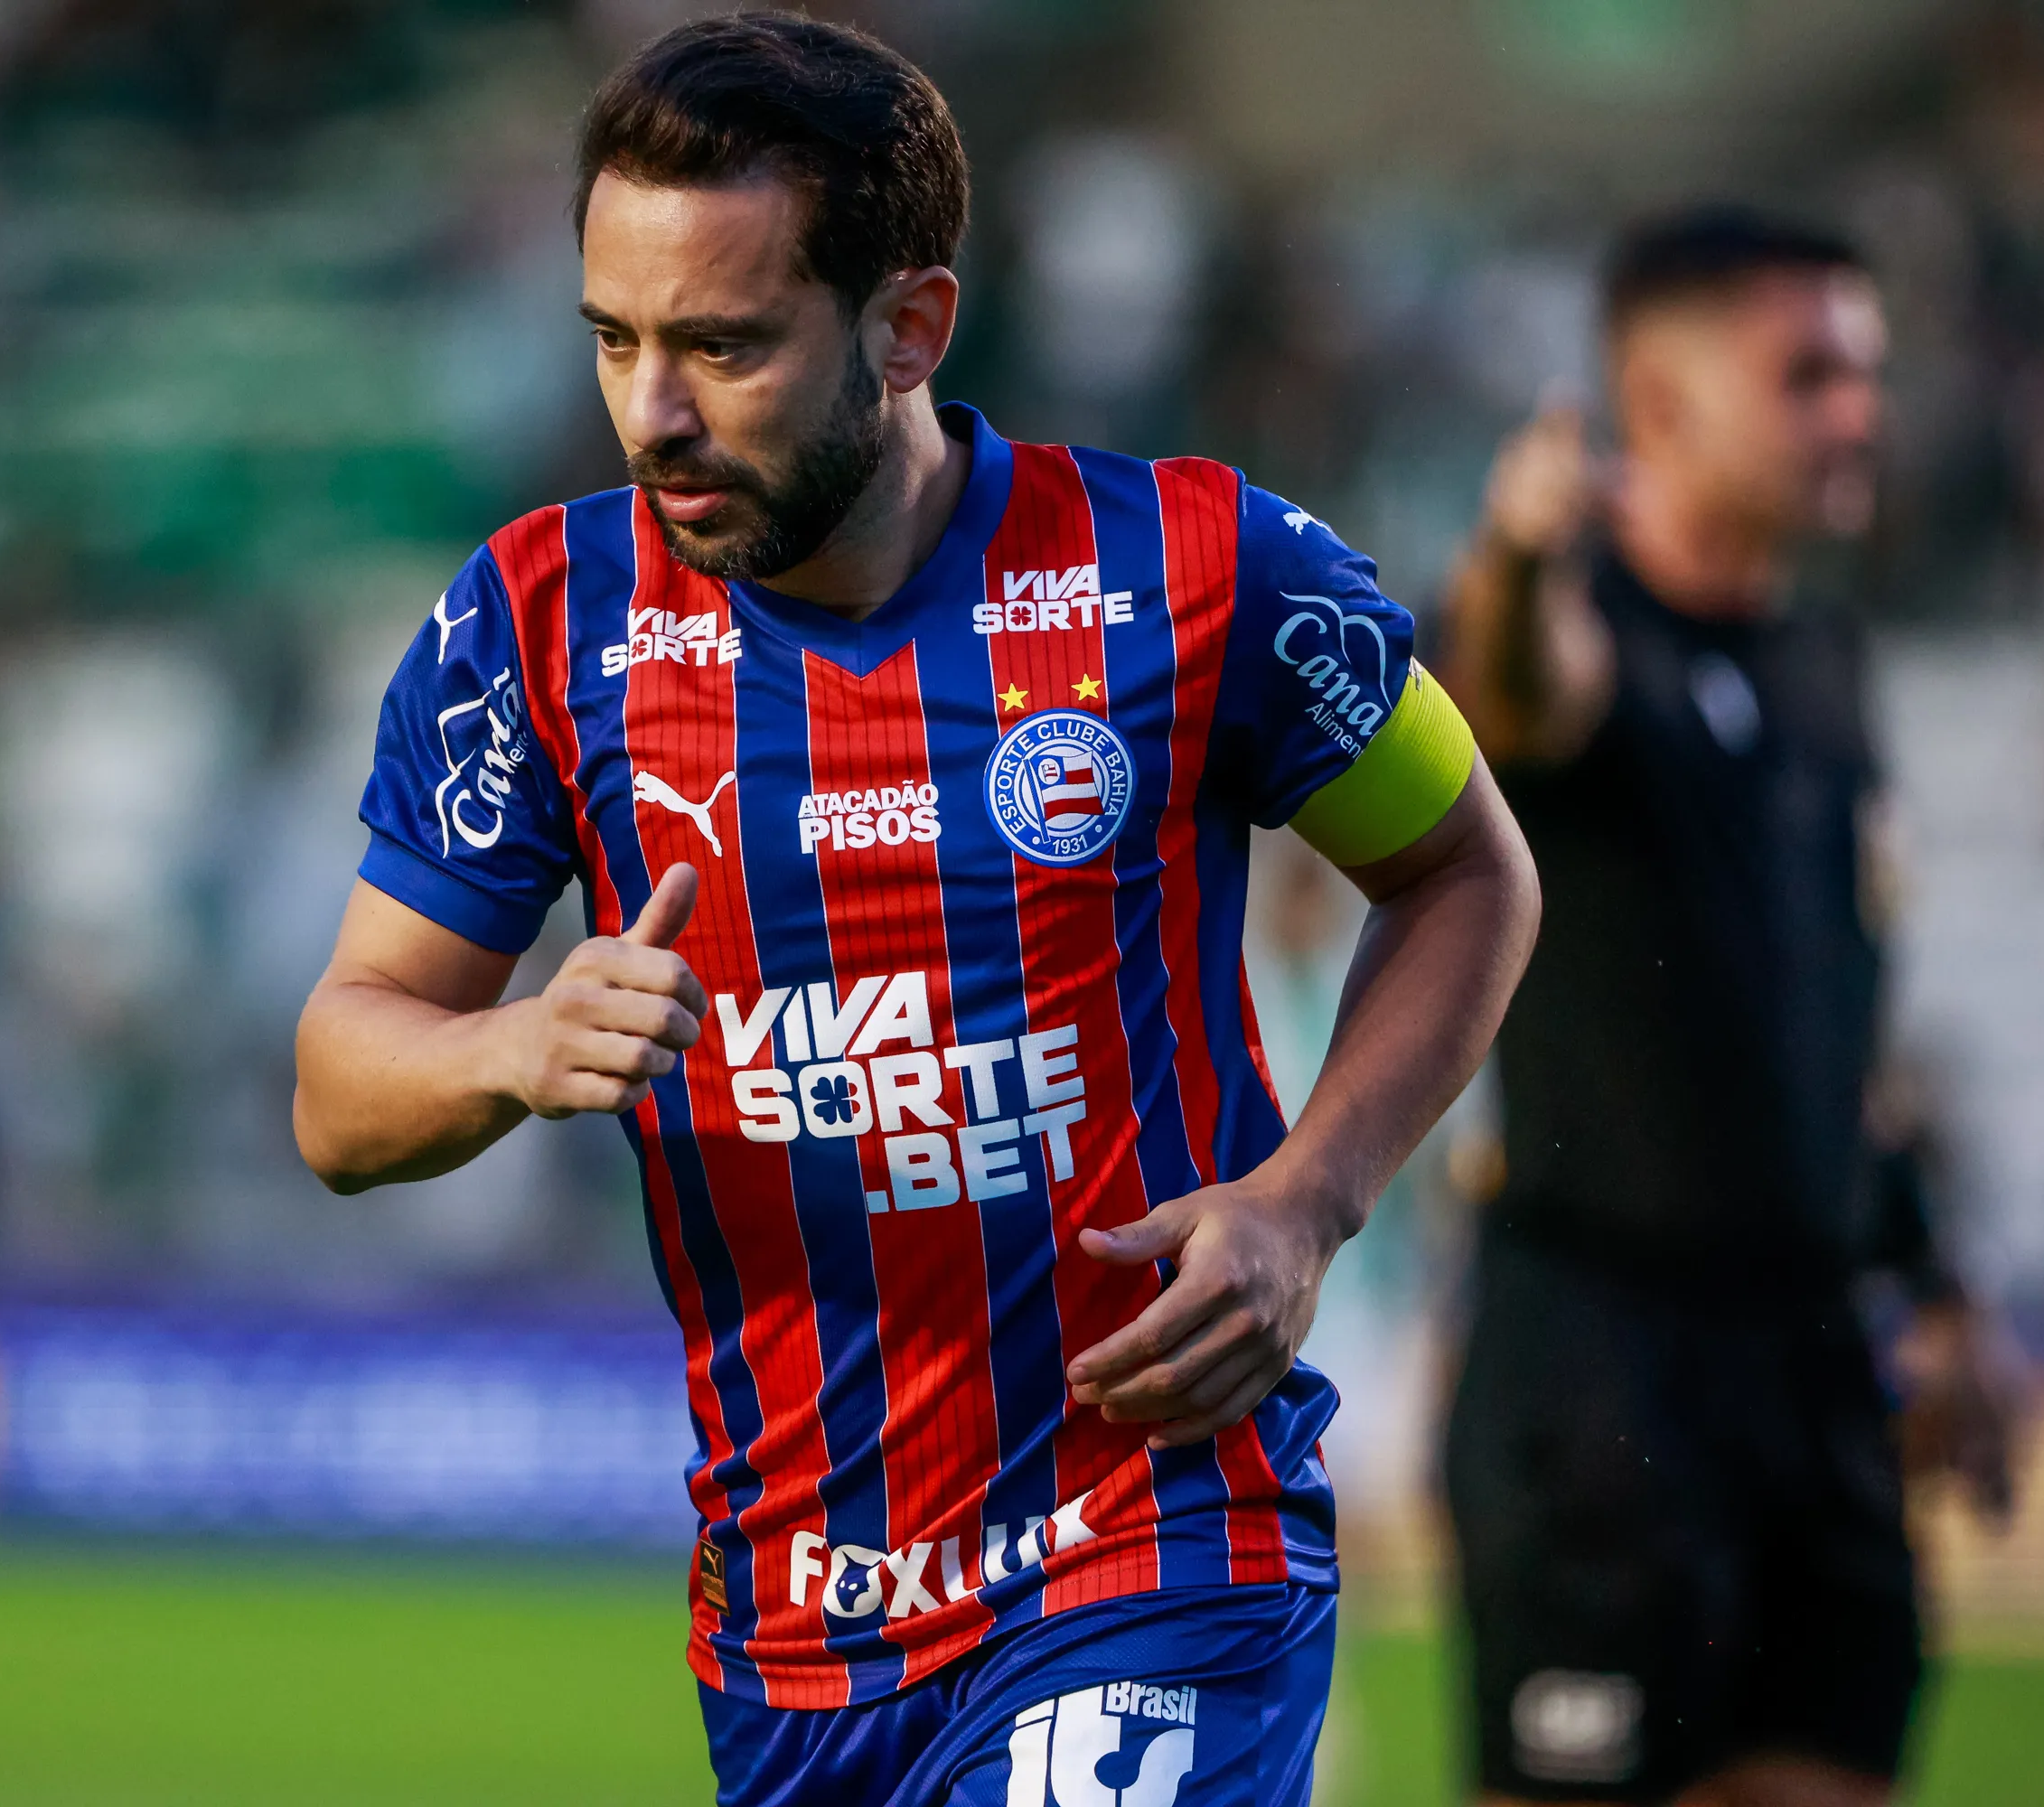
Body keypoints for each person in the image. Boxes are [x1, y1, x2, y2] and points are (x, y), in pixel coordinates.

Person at [295, 17, 1538, 1805]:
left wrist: (1308, 1201)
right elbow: (342, 1089)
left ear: (910, 328)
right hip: (794, 1628)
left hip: (1152, 1548)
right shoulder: (534, 626)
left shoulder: (1201, 572)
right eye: (617, 343)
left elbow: (1469, 868)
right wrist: (512, 1042)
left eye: (722, 347)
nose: (653, 412)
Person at [1434, 206, 2026, 1807]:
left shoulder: (1823, 659)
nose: (1859, 413)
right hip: (1604, 1373)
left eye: (1867, 373)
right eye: (1812, 373)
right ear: (1662, 399)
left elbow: (1839, 1029)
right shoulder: (1579, 622)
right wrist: (1519, 554)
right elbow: (1521, 690)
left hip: (1816, 1361)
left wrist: (1935, 1285)